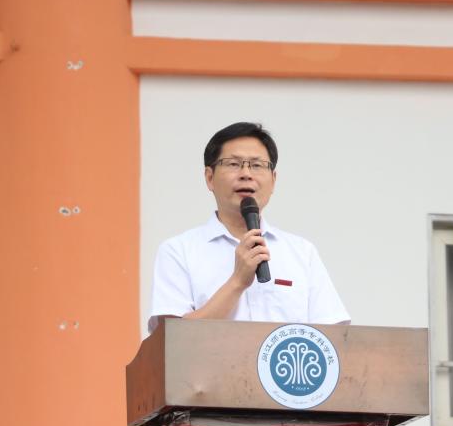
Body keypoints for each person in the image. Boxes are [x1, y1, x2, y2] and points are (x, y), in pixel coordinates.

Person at [148, 122, 349, 334]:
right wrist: (237, 282)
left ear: (273, 180)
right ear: (210, 178)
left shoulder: (302, 252)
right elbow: (170, 339)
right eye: (233, 164)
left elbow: (332, 338)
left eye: (257, 165)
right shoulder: (178, 251)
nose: (246, 174)